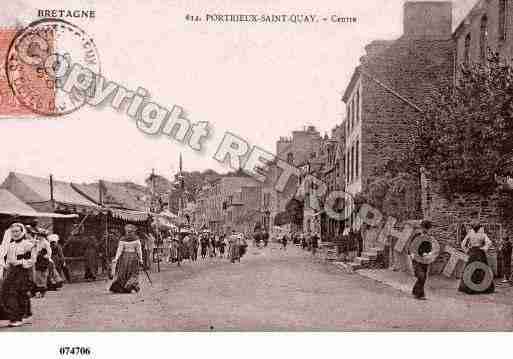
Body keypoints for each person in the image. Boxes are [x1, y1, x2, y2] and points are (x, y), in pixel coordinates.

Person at [0, 223, 36, 327]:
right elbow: (9, 259)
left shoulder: (28, 244)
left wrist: (20, 262)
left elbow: (32, 260)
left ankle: (18, 318)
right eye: (13, 231)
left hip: (23, 271)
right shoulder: (11, 245)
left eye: (17, 231)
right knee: (6, 292)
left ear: (22, 231)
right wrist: (7, 265)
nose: (15, 234)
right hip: (12, 271)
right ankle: (20, 315)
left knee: (19, 293)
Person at [459, 223, 495, 294]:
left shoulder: (470, 234)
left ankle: (469, 288)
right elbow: (489, 243)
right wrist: (484, 248)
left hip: (472, 252)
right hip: (480, 253)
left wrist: (467, 250)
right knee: (483, 268)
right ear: (479, 228)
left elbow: (463, 244)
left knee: (470, 269)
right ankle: (483, 288)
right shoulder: (483, 234)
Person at [110, 224, 143, 294]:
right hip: (133, 257)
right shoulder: (136, 239)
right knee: (133, 273)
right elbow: (139, 251)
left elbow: (119, 250)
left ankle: (122, 287)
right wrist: (140, 259)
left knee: (123, 272)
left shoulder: (122, 239)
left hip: (125, 257)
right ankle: (129, 286)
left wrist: (116, 258)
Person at [410, 220, 434, 300]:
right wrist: (412, 255)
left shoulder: (429, 237)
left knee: (424, 276)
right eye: (424, 228)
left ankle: (417, 292)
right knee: (421, 276)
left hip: (425, 259)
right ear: (421, 228)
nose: (426, 230)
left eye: (427, 228)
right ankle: (418, 293)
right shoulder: (417, 235)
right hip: (416, 259)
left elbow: (430, 247)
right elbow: (411, 246)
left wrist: (429, 254)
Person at [32, 229, 52, 298]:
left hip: (43, 261)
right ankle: (39, 291)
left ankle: (42, 291)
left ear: (43, 236)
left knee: (43, 275)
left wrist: (46, 256)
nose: (39, 237)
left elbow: (49, 251)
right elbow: (34, 249)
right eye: (38, 235)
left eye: (40, 236)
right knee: (38, 276)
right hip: (38, 260)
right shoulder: (37, 242)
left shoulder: (46, 243)